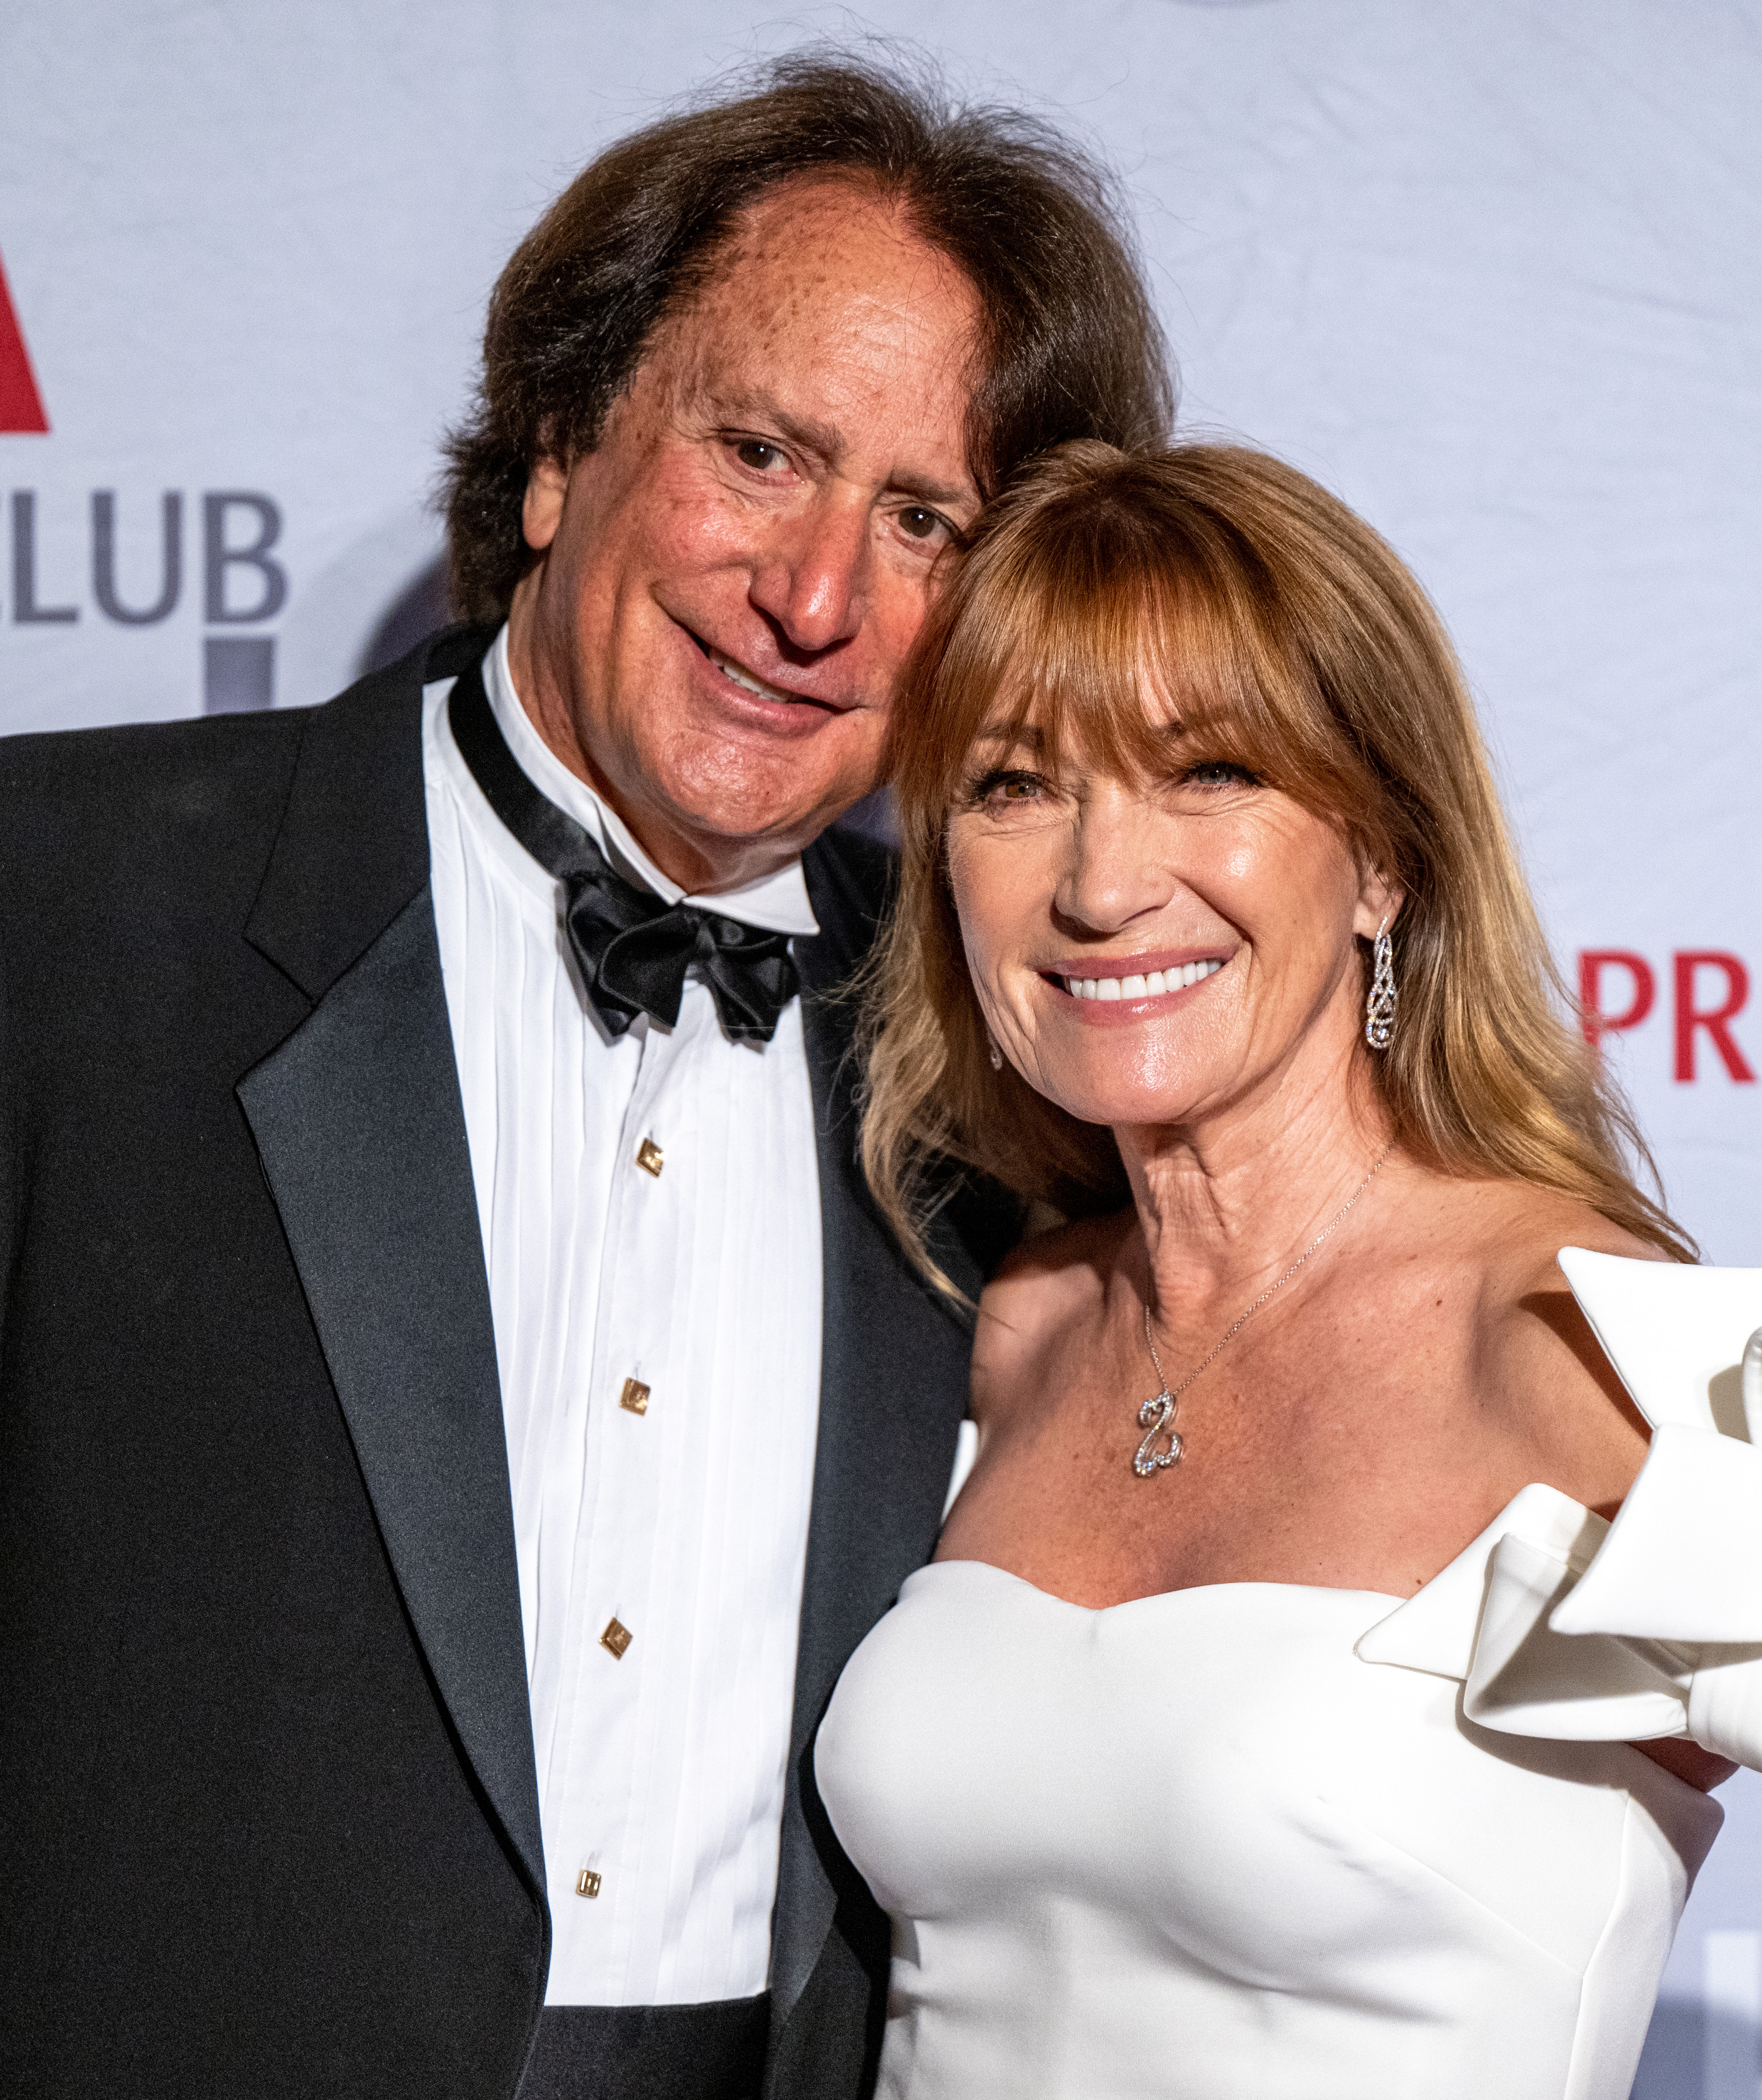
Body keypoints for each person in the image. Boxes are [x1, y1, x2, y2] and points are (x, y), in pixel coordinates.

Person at [0, 59, 1174, 2100]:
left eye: (923, 521)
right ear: (561, 445)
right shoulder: (65, 901)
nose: (814, 599)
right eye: (760, 452)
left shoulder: (1025, 1062)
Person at [817, 440, 1762, 2098]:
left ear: (1384, 858)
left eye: (1210, 772)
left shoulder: (1584, 1336)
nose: (1103, 886)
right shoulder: (1012, 1331)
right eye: (1015, 783)